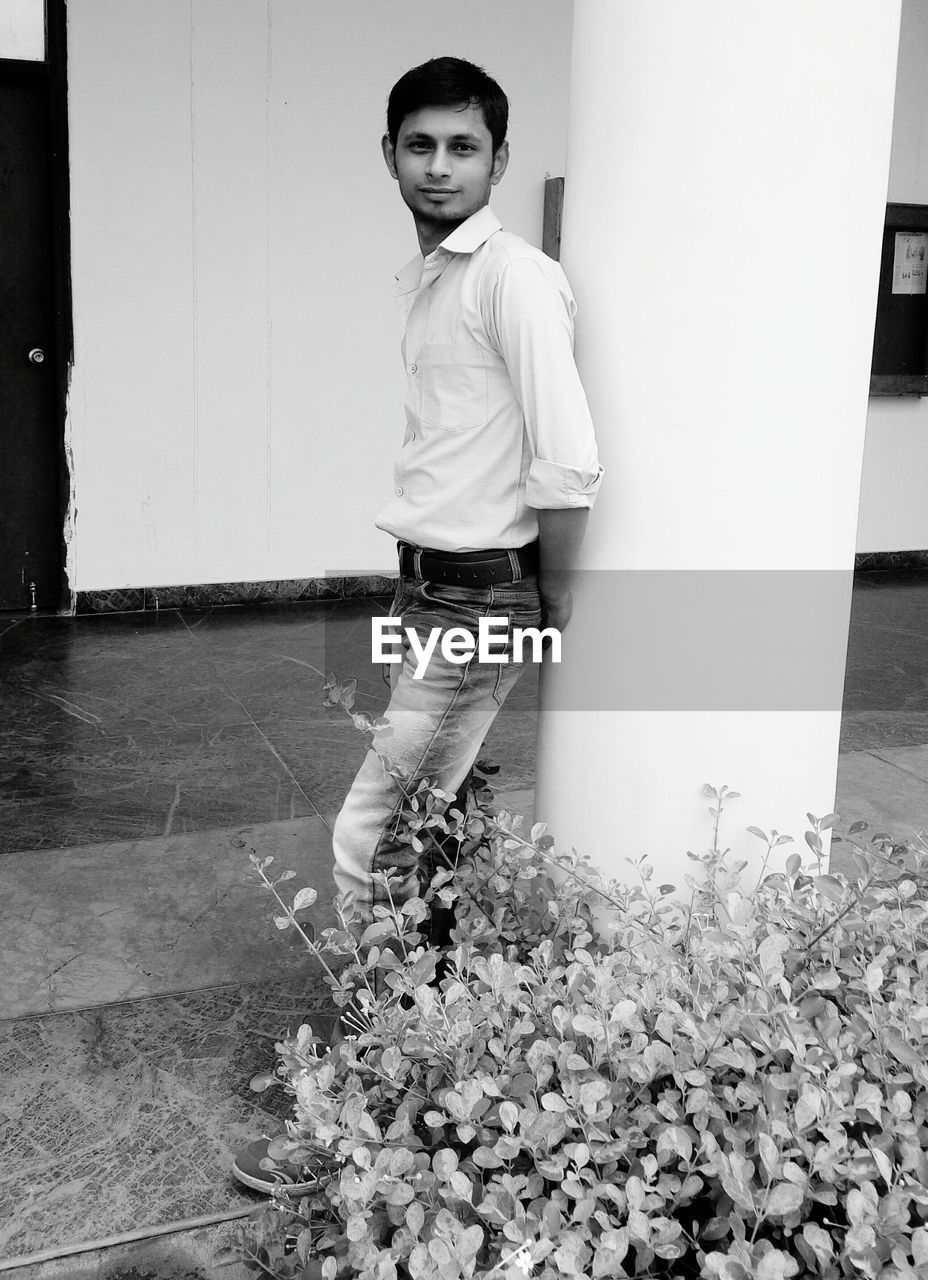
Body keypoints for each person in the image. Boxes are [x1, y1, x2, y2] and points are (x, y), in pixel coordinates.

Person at [233, 54, 602, 1196]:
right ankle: (436, 1086)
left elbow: (569, 458)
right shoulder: (433, 279)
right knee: (428, 836)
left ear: (497, 158)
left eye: (462, 147)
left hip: (478, 593)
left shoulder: (513, 278)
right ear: (388, 153)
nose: (438, 166)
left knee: (371, 842)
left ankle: (364, 1103)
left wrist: (547, 605)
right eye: (418, 144)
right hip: (429, 587)